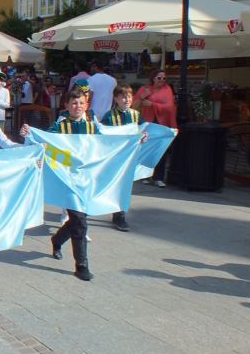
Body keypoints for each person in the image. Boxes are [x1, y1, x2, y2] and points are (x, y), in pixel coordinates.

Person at [21, 89, 98, 281]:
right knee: (80, 221)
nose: (77, 106)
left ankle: (57, 240)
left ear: (86, 105)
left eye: (81, 103)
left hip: (86, 180)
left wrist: (136, 140)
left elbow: (110, 144)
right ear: (66, 106)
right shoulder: (60, 127)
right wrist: (29, 134)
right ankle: (82, 264)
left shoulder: (92, 127)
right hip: (66, 180)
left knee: (77, 219)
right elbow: (44, 141)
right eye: (73, 103)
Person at [100, 85, 141, 232]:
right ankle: (113, 211)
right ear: (116, 99)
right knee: (114, 185)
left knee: (125, 187)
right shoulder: (109, 116)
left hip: (129, 158)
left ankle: (120, 215)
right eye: (123, 97)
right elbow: (102, 136)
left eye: (129, 96)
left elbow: (142, 130)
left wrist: (143, 136)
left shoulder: (135, 115)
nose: (127, 99)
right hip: (115, 158)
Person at [134, 70, 177, 187]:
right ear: (153, 78)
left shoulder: (167, 90)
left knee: (160, 149)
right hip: (148, 122)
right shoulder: (144, 89)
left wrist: (152, 104)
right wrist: (143, 96)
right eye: (159, 78)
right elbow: (134, 105)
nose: (162, 80)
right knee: (147, 148)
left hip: (162, 123)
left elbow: (170, 107)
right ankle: (145, 175)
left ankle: (159, 177)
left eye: (164, 78)